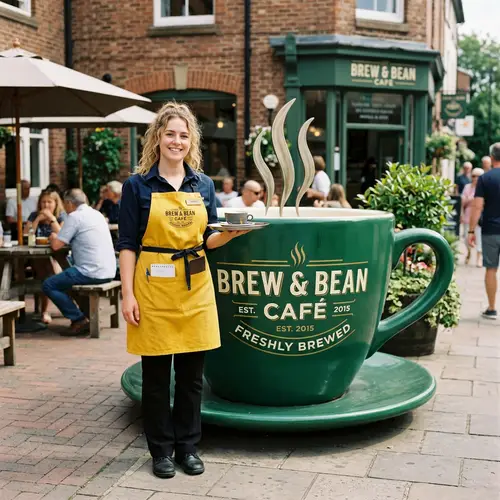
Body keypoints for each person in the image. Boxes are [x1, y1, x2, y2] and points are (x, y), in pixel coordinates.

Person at [117, 102, 249, 479]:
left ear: (192, 141)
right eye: (170, 133)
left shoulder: (203, 185)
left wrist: (232, 234)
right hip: (153, 289)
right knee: (157, 379)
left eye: (184, 135)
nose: (177, 141)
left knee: (192, 378)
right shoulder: (137, 186)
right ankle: (160, 451)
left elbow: (207, 239)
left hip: (194, 289)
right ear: (157, 138)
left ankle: (188, 447)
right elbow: (127, 244)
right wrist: (128, 294)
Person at [43, 189, 116, 334]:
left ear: (69, 203)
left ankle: (78, 319)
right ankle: (86, 315)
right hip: (109, 270)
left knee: (49, 285)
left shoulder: (75, 217)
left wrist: (52, 238)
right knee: (66, 279)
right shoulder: (97, 214)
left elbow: (56, 246)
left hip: (91, 272)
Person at [468, 143, 500, 320]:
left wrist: (471, 231)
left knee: (491, 269)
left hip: (490, 230)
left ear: (492, 157)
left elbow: (477, 206)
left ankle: (492, 308)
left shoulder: (485, 179)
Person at [25, 190, 67, 324]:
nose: (46, 204)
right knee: (46, 271)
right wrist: (37, 219)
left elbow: (62, 235)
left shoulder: (61, 216)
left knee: (48, 271)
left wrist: (51, 219)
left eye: (49, 202)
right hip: (37, 256)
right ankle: (44, 310)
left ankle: (45, 310)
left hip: (59, 255)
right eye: (43, 202)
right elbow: (26, 234)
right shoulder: (33, 215)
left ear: (56, 203)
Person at [462, 168, 484, 267]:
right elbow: (463, 202)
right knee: (467, 239)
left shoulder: (484, 187)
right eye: (473, 176)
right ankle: (469, 252)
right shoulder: (467, 187)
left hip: (479, 218)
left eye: (478, 176)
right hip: (468, 216)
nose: (475, 178)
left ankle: (479, 258)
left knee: (479, 238)